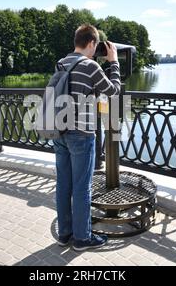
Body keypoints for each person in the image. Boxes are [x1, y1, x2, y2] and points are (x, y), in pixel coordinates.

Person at [52, 24, 121, 251]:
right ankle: (82, 238)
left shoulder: (62, 62)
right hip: (81, 135)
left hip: (59, 132)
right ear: (91, 43)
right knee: (82, 187)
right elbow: (113, 91)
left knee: (64, 184)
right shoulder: (91, 66)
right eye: (96, 46)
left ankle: (65, 234)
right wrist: (113, 62)